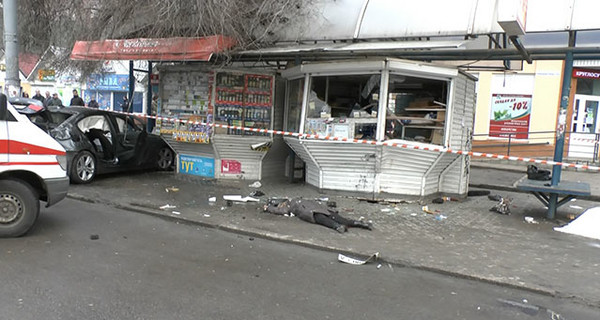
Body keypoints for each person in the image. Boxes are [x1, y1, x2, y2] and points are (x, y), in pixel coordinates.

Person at [263, 198, 373, 233]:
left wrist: (268, 208)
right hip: (320, 209)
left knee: (323, 219)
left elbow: (280, 211)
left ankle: (338, 226)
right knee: (339, 219)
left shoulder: (290, 204)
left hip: (310, 212)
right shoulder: (296, 201)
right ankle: (359, 224)